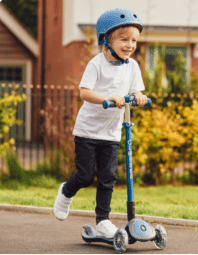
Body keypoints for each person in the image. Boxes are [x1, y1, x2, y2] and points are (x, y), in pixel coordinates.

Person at [53, 8, 147, 239]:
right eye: (123, 39)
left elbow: (135, 90)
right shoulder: (96, 64)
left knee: (108, 178)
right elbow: (85, 93)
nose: (130, 45)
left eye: (133, 40)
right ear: (106, 40)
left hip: (112, 133)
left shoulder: (132, 66)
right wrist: (106, 99)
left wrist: (139, 97)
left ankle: (103, 220)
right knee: (85, 176)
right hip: (87, 132)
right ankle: (66, 191)